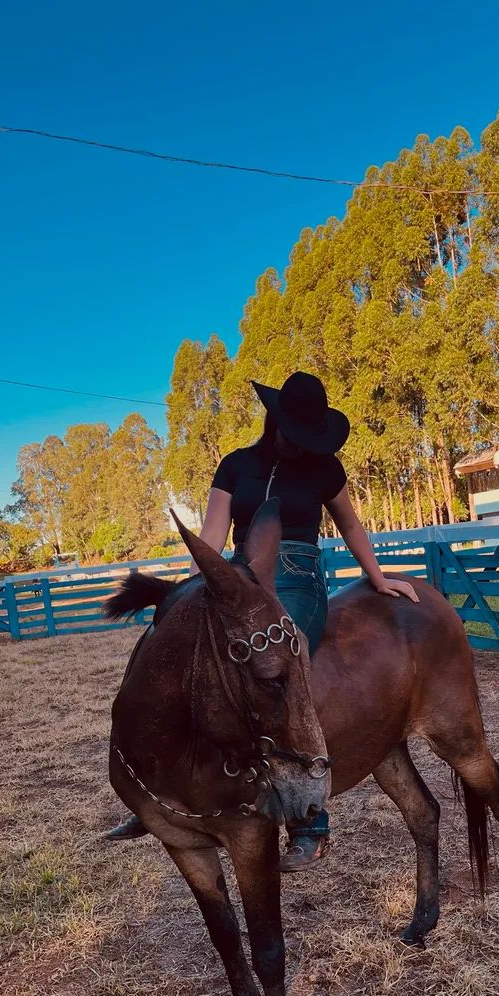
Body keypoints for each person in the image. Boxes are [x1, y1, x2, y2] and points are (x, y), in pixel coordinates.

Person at [104, 371, 419, 871]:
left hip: (298, 577)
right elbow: (212, 532)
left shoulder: (324, 469)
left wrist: (377, 578)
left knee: (282, 666)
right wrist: (192, 592)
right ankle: (163, 792)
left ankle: (309, 819)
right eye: (295, 434)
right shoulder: (237, 466)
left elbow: (351, 524)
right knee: (168, 648)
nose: (301, 445)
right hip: (238, 575)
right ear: (276, 423)